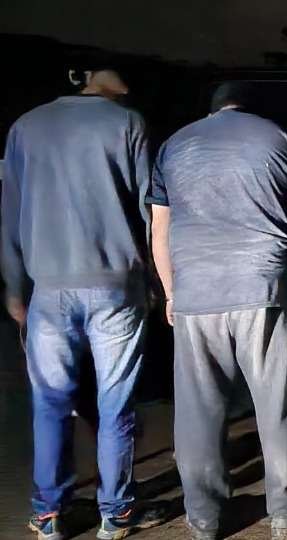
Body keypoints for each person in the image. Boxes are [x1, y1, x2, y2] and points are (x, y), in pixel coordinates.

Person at [149, 83, 287, 540]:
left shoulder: (174, 145)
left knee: (198, 410)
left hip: (196, 290)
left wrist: (171, 292)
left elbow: (159, 226)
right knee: (279, 404)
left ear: (213, 110)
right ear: (252, 109)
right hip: (267, 284)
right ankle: (286, 512)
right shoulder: (282, 138)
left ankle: (204, 517)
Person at [1, 69, 165, 540]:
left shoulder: (25, 126)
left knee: (50, 404)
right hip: (116, 286)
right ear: (91, 76)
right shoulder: (127, 123)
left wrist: (14, 288)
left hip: (49, 289)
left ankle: (49, 513)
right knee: (115, 404)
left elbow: (9, 213)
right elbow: (149, 208)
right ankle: (116, 512)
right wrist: (156, 280)